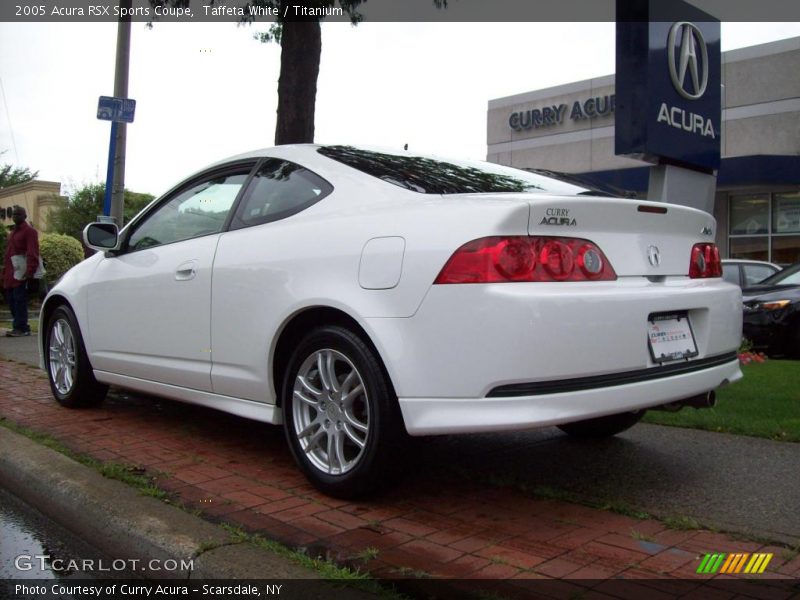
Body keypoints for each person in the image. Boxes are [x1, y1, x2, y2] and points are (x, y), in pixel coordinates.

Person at [2, 206, 40, 337]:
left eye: (18, 214)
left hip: (21, 273)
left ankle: (22, 328)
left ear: (24, 216)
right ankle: (18, 326)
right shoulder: (13, 233)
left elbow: (32, 252)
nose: (15, 216)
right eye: (14, 214)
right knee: (11, 300)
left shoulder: (29, 232)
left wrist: (30, 271)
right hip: (10, 272)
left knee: (19, 300)